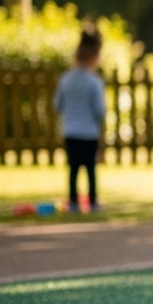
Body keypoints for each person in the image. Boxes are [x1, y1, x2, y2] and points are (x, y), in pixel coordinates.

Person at [53, 29, 107, 213]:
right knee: (90, 168)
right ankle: (92, 201)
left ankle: (74, 202)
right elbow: (100, 109)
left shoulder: (65, 79)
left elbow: (57, 105)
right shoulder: (94, 82)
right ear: (94, 57)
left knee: (73, 168)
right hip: (89, 131)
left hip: (70, 129)